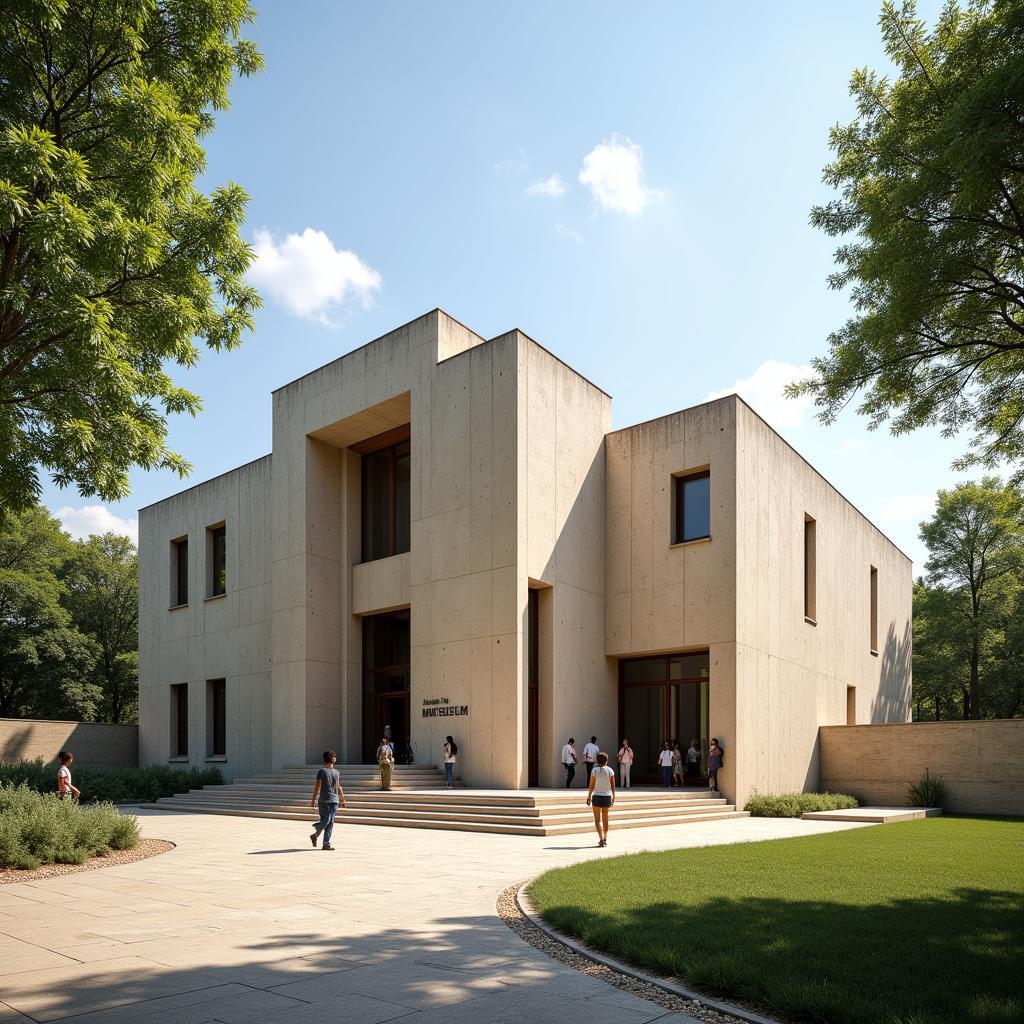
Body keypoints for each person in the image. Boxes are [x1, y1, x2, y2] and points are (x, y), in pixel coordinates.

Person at [309, 749, 346, 851]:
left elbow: (338, 786)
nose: (335, 758)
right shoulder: (321, 771)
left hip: (334, 800)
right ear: (333, 759)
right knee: (327, 820)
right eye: (334, 756)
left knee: (330, 822)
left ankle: (325, 843)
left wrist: (342, 799)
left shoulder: (337, 772)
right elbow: (317, 786)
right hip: (325, 800)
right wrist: (312, 800)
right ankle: (317, 828)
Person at [586, 751, 616, 847]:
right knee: (605, 819)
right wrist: (614, 796)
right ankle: (605, 838)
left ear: (597, 761)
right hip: (607, 796)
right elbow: (613, 785)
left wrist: (589, 796)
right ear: (606, 761)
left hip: (597, 797)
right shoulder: (610, 771)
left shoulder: (594, 770)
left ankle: (601, 838)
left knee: (597, 820)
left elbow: (591, 785)